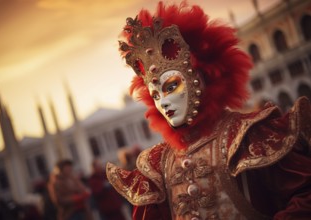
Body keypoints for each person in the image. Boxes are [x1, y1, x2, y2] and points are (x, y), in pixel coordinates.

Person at [106, 2, 311, 220]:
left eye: (172, 86)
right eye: (156, 95)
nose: (163, 102)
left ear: (200, 79)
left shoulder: (248, 136)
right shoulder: (157, 166)